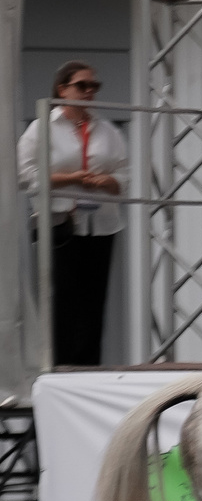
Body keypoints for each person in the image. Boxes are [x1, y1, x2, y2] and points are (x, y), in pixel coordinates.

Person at [15, 62, 126, 366]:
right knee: (62, 300)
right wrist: (70, 178)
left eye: (94, 86)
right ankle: (59, 367)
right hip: (59, 223)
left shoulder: (107, 130)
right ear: (62, 89)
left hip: (100, 223)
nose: (90, 92)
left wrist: (111, 181)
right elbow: (24, 174)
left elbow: (127, 173)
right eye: (82, 85)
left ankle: (89, 367)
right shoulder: (42, 126)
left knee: (94, 301)